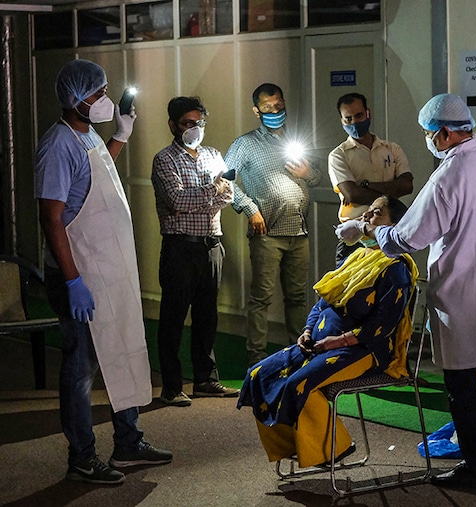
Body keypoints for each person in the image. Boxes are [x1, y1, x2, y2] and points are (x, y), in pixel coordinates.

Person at [344, 94, 476, 489]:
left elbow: (408, 238)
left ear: (444, 133)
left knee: (462, 386)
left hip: (462, 295)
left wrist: (365, 229)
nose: (428, 141)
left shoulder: (450, 174)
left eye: (428, 134)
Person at [35, 59, 172, 484]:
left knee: (123, 347)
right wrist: (73, 279)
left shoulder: (87, 134)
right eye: (96, 94)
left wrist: (120, 137)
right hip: (78, 271)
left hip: (107, 267)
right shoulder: (57, 145)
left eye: (104, 91)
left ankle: (128, 441)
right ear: (74, 99)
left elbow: (98, 176)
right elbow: (52, 217)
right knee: (82, 365)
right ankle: (81, 456)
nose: (104, 100)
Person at [238, 196, 418, 468]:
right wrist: (308, 332)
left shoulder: (396, 269)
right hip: (320, 344)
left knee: (298, 384)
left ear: (394, 226)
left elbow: (382, 327)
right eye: (367, 211)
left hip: (363, 351)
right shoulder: (357, 256)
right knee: (258, 374)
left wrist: (338, 341)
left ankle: (333, 448)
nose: (367, 217)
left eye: (377, 213)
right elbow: (323, 302)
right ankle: (296, 445)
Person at [224, 83, 322, 366]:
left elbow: (316, 179)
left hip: (299, 232)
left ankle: (300, 352)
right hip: (267, 233)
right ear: (257, 111)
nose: (275, 111)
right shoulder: (245, 144)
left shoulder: (297, 139)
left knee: (297, 298)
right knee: (262, 298)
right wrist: (250, 209)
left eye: (278, 105)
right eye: (268, 108)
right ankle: (256, 356)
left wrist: (308, 172)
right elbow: (225, 180)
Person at [151, 96, 240, 407]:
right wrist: (211, 191)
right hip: (180, 248)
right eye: (188, 123)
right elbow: (176, 201)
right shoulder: (165, 160)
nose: (195, 128)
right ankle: (171, 386)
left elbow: (228, 194)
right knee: (173, 317)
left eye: (199, 122)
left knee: (207, 316)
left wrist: (205, 194)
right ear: (173, 125)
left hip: (212, 245)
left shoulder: (213, 154)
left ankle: (205, 379)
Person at [328, 92, 414, 264]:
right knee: (350, 289)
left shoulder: (391, 149)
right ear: (342, 121)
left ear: (368, 113)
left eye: (359, 116)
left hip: (389, 233)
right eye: (348, 119)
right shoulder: (338, 155)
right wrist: (390, 192)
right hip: (355, 237)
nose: (354, 122)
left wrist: (367, 185)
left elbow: (406, 186)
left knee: (393, 285)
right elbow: (353, 194)